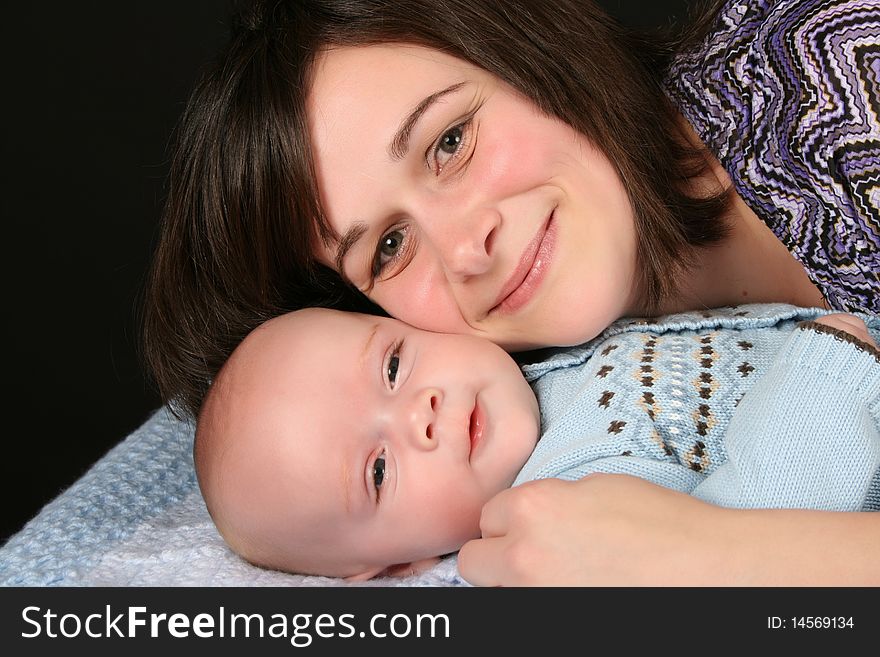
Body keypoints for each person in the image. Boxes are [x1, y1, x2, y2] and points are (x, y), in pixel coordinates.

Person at [144, 0, 880, 584]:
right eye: (390, 248)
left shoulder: (841, 69)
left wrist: (717, 559)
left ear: (533, 50)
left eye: (450, 142)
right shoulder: (568, 434)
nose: (467, 250)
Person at [194, 304, 880, 581]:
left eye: (395, 366)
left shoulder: (543, 359)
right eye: (377, 469)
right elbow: (750, 552)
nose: (421, 413)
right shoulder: (567, 519)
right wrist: (827, 371)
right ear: (396, 567)